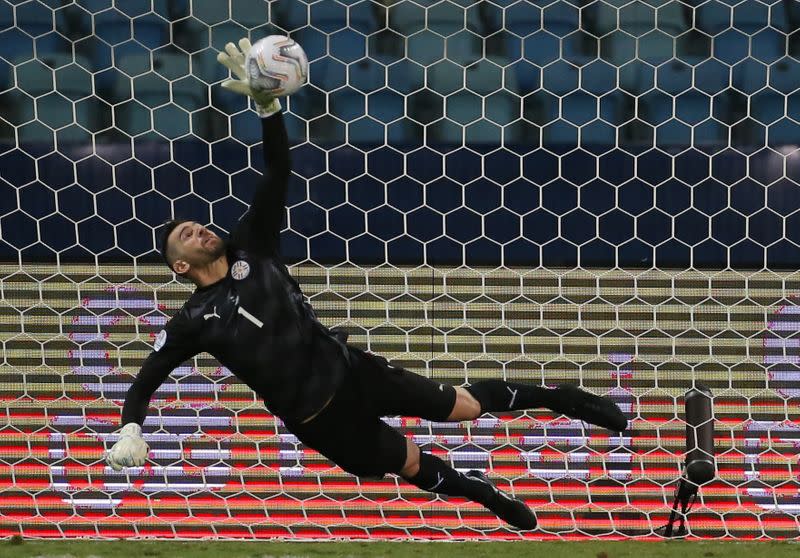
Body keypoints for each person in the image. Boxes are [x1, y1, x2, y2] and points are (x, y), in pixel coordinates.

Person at [105, 38, 628, 531]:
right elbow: (146, 379)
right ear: (180, 268)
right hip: (317, 418)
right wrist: (132, 426)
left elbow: (278, 169)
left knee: (463, 406)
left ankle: (567, 400)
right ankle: (486, 496)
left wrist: (268, 111)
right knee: (410, 463)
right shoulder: (194, 322)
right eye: (186, 236)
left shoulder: (252, 247)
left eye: (197, 225)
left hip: (350, 371)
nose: (198, 230)